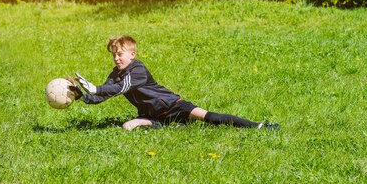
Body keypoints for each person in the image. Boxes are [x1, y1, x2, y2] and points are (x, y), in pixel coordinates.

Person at [67, 35, 280, 131]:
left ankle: (258, 126)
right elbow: (105, 94)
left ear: (132, 54)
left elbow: (120, 88)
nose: (116, 58)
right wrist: (82, 95)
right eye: (114, 55)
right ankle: (162, 124)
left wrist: (96, 87)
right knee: (126, 127)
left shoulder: (138, 69)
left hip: (174, 106)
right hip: (151, 114)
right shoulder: (116, 74)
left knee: (207, 116)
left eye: (120, 54)